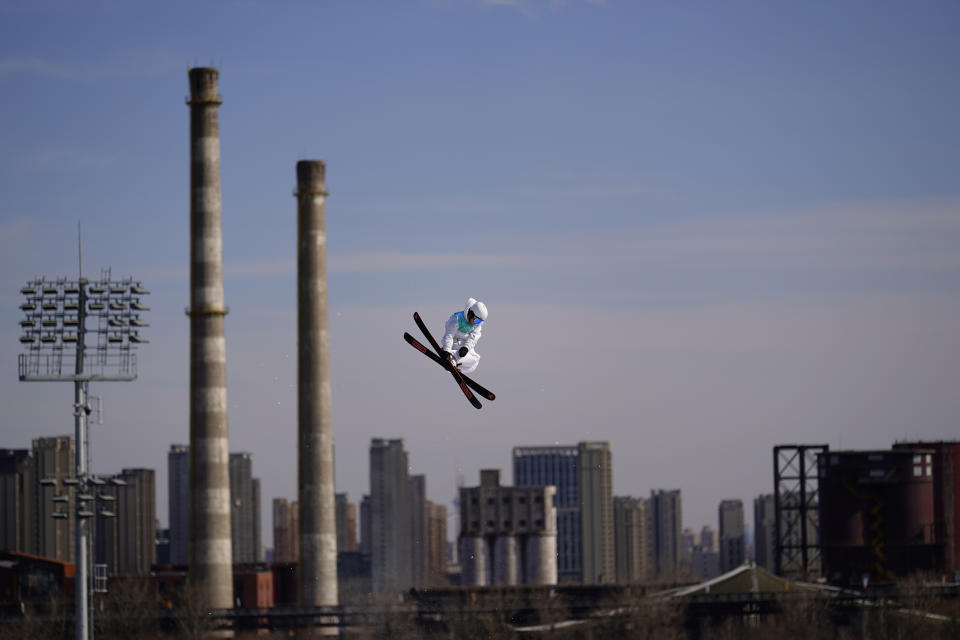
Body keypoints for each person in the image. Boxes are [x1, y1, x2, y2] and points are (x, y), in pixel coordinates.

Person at [440, 298, 488, 374]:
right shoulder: (457, 318)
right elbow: (449, 335)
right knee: (473, 359)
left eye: (480, 321)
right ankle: (450, 356)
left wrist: (466, 347)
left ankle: (458, 370)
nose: (477, 323)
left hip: (463, 344)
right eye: (477, 320)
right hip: (454, 343)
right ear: (472, 314)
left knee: (475, 360)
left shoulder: (478, 324)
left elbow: (473, 338)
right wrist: (446, 350)